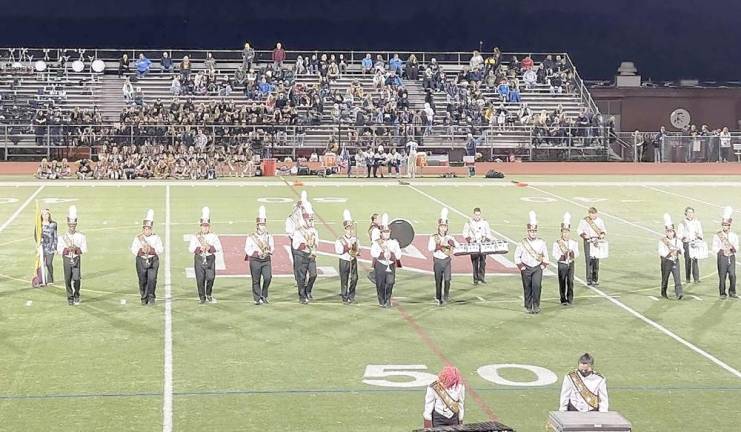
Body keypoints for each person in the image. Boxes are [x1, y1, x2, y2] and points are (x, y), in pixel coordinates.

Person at [514, 211, 549, 314]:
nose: (533, 233)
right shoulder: (522, 243)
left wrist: (543, 266)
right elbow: (517, 256)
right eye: (531, 231)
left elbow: (545, 255)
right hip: (526, 267)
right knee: (527, 287)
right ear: (528, 232)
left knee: (537, 286)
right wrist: (522, 267)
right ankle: (528, 305)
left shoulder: (541, 242)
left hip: (537, 268)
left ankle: (536, 305)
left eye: (534, 231)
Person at [188, 207, 222, 304]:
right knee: (200, 279)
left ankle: (208, 294)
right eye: (203, 226)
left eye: (207, 226)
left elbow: (219, 247)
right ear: (200, 226)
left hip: (210, 258)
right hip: (199, 258)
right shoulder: (196, 236)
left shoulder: (213, 236)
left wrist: (210, 248)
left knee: (211, 277)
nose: (205, 228)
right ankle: (202, 297)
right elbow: (190, 248)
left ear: (209, 226)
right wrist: (200, 249)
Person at [131, 209, 164, 305]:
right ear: (143, 229)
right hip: (141, 260)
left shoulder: (156, 238)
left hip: (153, 260)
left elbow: (160, 249)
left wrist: (150, 250)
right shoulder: (138, 238)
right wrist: (142, 251)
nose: (147, 230)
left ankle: (151, 297)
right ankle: (143, 297)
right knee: (142, 280)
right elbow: (133, 249)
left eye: (149, 229)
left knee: (152, 279)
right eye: (145, 229)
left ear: (151, 229)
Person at [57, 206, 87, 305]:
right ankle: (70, 297)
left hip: (76, 259)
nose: (72, 227)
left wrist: (76, 249)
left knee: (77, 279)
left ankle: (77, 295)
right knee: (67, 279)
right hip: (66, 259)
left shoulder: (81, 236)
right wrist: (67, 249)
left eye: (73, 226)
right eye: (70, 225)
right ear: (68, 225)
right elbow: (59, 249)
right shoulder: (62, 237)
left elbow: (84, 249)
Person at [245, 206, 274, 305]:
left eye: (264, 224)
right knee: (256, 280)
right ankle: (257, 298)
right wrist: (258, 253)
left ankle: (264, 295)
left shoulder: (269, 236)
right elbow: (247, 249)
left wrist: (268, 251)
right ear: (257, 225)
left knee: (268, 277)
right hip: (255, 260)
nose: (263, 227)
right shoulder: (251, 237)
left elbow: (272, 247)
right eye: (261, 225)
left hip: (266, 260)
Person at [371, 213, 402, 307]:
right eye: (384, 232)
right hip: (380, 265)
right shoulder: (377, 243)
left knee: (390, 282)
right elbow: (373, 253)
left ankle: (388, 299)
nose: (386, 234)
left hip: (391, 265)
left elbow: (399, 255)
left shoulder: (394, 243)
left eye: (388, 232)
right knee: (380, 284)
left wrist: (391, 254)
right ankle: (381, 300)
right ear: (381, 233)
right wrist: (383, 254)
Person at [428, 208, 458, 305]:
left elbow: (457, 245)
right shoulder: (434, 237)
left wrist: (452, 243)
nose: (443, 228)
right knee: (438, 280)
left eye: (445, 226)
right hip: (437, 261)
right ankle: (438, 297)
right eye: (441, 226)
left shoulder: (449, 237)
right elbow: (430, 248)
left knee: (448, 279)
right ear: (439, 227)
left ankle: (446, 296)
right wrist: (439, 245)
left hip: (447, 261)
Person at [292, 201, 318, 304]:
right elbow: (295, 245)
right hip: (301, 255)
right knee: (301, 277)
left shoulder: (314, 231)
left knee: (313, 274)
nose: (311, 221)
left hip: (310, 255)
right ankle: (302, 296)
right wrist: (306, 244)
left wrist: (314, 246)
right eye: (309, 220)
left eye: (312, 220)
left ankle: (308, 291)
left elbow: (317, 241)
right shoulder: (299, 231)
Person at [553, 213, 579, 305]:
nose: (566, 234)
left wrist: (571, 254)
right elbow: (555, 254)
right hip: (562, 264)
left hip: (571, 263)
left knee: (570, 281)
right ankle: (563, 299)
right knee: (562, 281)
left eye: (567, 232)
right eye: (564, 232)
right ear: (561, 233)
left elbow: (577, 253)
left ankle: (570, 298)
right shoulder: (557, 243)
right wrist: (563, 256)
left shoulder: (574, 242)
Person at [712, 206, 738, 299]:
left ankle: (732, 291)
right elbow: (714, 247)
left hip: (731, 257)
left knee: (732, 275)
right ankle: (722, 293)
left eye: (726, 225)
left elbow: (736, 248)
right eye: (723, 225)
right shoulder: (717, 235)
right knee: (722, 276)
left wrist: (731, 249)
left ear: (729, 226)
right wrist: (722, 251)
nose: (725, 226)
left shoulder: (734, 236)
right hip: (722, 257)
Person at [577, 207, 607, 287]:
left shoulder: (600, 221)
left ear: (596, 214)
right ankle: (589, 279)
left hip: (597, 242)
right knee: (588, 261)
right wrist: (584, 236)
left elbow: (603, 230)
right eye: (590, 214)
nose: (592, 215)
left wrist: (602, 234)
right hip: (588, 242)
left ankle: (595, 279)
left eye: (593, 214)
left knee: (596, 261)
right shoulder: (584, 220)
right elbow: (579, 230)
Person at [335, 210, 359, 304]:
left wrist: (356, 251)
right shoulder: (340, 239)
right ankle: (345, 296)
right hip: (344, 261)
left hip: (353, 260)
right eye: (347, 228)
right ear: (345, 229)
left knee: (354, 278)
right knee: (344, 279)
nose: (349, 230)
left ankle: (351, 294)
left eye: (351, 228)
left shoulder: (355, 238)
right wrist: (347, 247)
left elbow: (358, 250)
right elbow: (339, 251)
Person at [463, 207, 492, 285]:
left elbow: (488, 233)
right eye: (476, 215)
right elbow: (465, 233)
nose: (477, 216)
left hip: (483, 245)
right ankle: (475, 279)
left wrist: (485, 239)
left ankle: (481, 278)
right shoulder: (469, 222)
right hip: (474, 245)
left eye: (478, 215)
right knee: (475, 262)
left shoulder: (484, 222)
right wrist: (470, 240)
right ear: (473, 214)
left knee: (483, 262)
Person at [286, 191, 308, 286]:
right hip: (296, 241)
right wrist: (297, 235)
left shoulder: (306, 218)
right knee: (297, 261)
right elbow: (289, 231)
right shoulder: (291, 219)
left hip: (307, 240)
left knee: (307, 260)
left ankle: (305, 277)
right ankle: (298, 279)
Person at [659, 213, 683, 300]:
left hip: (675, 260)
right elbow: (661, 252)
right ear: (666, 232)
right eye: (668, 231)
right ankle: (663, 291)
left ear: (673, 231)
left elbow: (682, 250)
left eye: (671, 231)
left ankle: (679, 293)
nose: (670, 233)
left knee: (677, 278)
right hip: (667, 261)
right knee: (665, 278)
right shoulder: (663, 241)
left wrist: (677, 251)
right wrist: (670, 253)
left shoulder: (677, 240)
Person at [676, 207, 704, 284]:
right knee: (688, 260)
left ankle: (696, 278)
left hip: (694, 243)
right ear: (686, 213)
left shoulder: (697, 222)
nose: (690, 214)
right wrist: (683, 237)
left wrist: (699, 236)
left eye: (691, 212)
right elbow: (678, 234)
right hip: (687, 243)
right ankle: (688, 278)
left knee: (695, 260)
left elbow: (701, 233)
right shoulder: (682, 223)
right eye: (688, 212)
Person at [40, 208, 58, 286]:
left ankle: (50, 279)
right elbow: (36, 235)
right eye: (43, 214)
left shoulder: (53, 224)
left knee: (48, 263)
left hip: (50, 247)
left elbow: (55, 236)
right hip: (42, 247)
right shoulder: (39, 224)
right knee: (41, 264)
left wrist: (55, 248)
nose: (45, 216)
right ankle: (42, 280)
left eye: (47, 214)